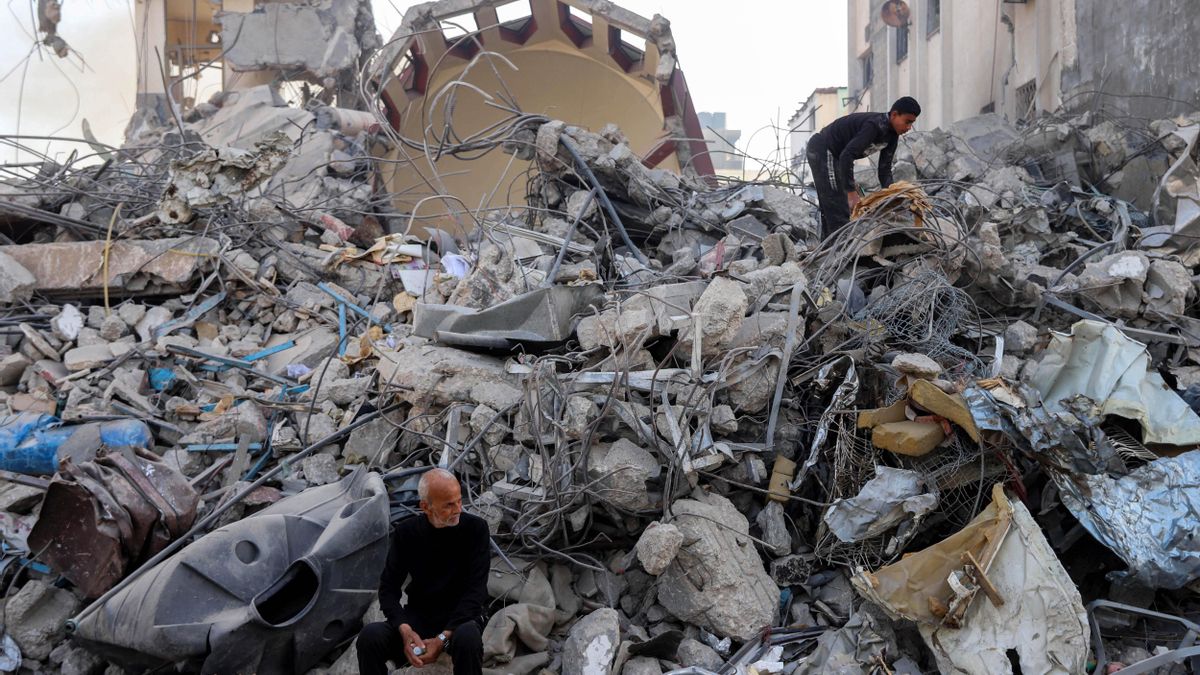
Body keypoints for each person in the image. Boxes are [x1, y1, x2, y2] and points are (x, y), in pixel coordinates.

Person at [357, 468, 491, 675]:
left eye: (459, 501)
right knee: (369, 637)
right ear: (425, 507)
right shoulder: (406, 533)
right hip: (420, 617)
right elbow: (388, 589)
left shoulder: (476, 529)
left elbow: (477, 591)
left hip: (461, 618)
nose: (458, 509)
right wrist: (404, 629)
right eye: (448, 504)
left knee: (468, 638)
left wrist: (443, 638)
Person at [805, 97, 921, 237]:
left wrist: (891, 196)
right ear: (894, 115)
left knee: (833, 206)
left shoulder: (892, 136)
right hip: (823, 148)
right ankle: (839, 253)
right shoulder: (874, 126)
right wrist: (851, 193)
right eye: (907, 122)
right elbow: (847, 156)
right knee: (837, 205)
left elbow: (884, 170)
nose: (908, 128)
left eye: (912, 123)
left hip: (836, 156)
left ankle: (827, 250)